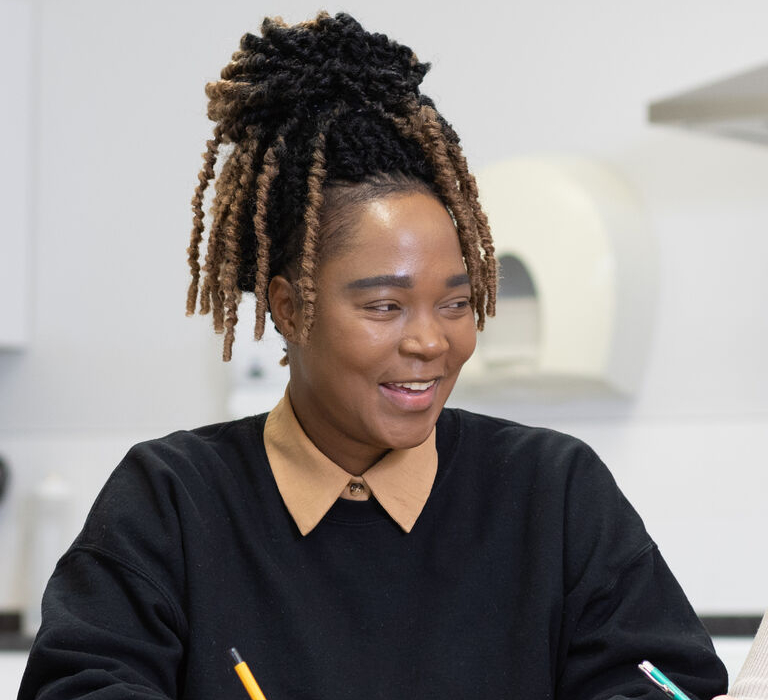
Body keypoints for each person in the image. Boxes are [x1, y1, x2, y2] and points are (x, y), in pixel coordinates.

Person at [18, 11, 728, 700]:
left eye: (456, 303)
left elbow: (662, 682)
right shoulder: (171, 502)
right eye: (385, 307)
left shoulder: (555, 494)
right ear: (291, 308)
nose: (429, 341)